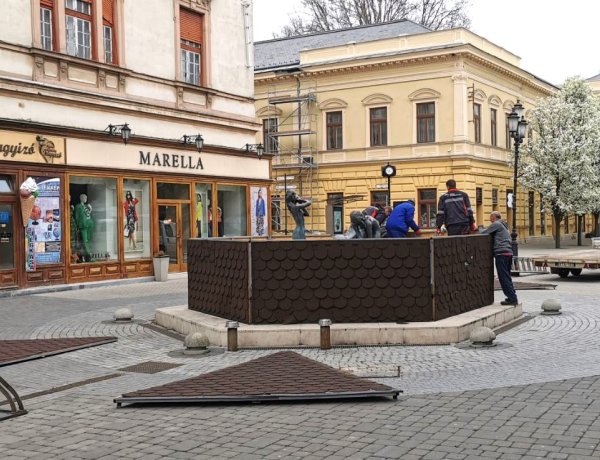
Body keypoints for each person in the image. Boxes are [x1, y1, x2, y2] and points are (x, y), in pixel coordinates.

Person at [479, 211, 518, 305]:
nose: (490, 219)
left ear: (493, 217)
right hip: (508, 252)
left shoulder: (496, 224)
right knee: (507, 276)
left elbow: (484, 233)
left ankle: (512, 298)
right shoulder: (504, 225)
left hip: (501, 253)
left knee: (503, 277)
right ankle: (512, 296)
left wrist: (479, 228)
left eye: (490, 217)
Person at [74, 193, 94, 261]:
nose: (86, 199)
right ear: (81, 198)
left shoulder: (86, 206)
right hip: (83, 226)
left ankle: (88, 255)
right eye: (84, 198)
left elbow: (88, 215)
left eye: (86, 198)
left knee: (89, 240)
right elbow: (76, 217)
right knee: (85, 241)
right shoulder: (78, 206)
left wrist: (90, 209)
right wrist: (77, 226)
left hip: (89, 225)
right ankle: (88, 256)